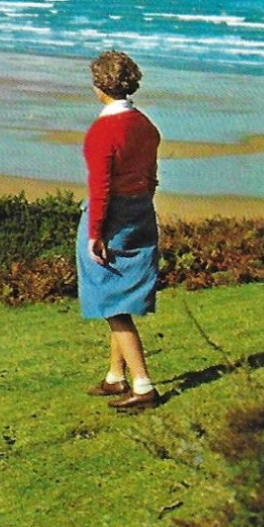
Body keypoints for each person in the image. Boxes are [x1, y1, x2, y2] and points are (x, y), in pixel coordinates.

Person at [77, 50, 162, 411]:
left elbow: (100, 187)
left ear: (100, 87)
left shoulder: (102, 132)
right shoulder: (145, 124)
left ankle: (143, 384)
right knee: (121, 291)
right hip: (141, 208)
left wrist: (95, 233)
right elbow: (152, 174)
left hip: (112, 215)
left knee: (110, 300)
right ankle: (116, 376)